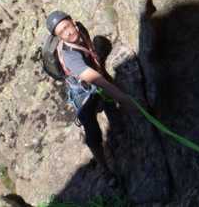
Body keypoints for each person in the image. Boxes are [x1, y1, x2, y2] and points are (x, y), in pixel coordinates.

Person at [46, 11, 134, 185]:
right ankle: (105, 169)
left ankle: (120, 133)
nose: (68, 33)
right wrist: (124, 98)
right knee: (92, 130)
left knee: (110, 105)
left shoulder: (80, 29)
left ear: (72, 21)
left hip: (90, 75)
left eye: (67, 26)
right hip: (82, 92)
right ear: (58, 37)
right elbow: (97, 80)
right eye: (61, 32)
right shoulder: (70, 57)